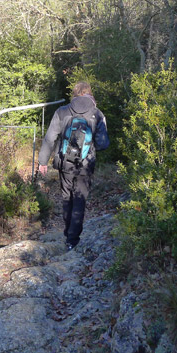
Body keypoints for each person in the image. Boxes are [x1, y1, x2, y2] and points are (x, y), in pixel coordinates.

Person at [37, 81, 110, 250]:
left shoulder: (62, 111)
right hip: (85, 166)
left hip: (65, 163)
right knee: (79, 200)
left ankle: (67, 233)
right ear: (89, 93)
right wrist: (89, 146)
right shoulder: (97, 114)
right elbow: (103, 143)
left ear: (75, 94)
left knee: (66, 198)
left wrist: (42, 162)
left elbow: (49, 138)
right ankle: (72, 240)